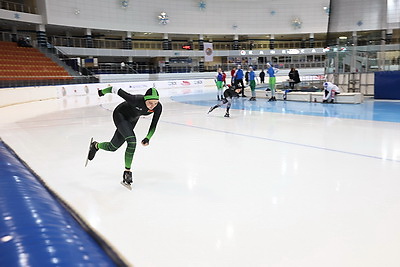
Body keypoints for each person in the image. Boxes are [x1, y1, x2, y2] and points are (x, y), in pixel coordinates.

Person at [87, 87, 162, 188]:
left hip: (132, 120)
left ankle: (96, 146)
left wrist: (148, 137)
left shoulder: (158, 107)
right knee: (132, 141)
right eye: (150, 103)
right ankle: (127, 172)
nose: (153, 106)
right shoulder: (135, 99)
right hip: (120, 115)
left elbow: (154, 125)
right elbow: (115, 89)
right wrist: (102, 92)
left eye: (155, 103)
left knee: (112, 147)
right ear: (145, 99)